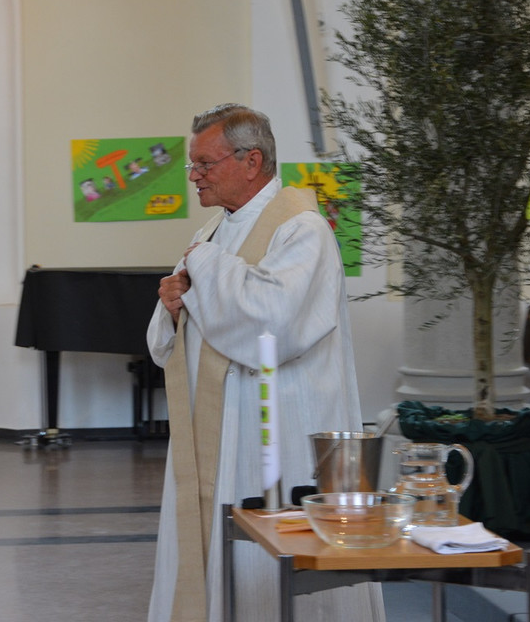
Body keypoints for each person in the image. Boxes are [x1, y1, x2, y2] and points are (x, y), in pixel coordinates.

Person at [147, 103, 384, 622]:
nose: (194, 176)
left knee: (270, 560)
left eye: (205, 164)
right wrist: (172, 308)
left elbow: (271, 324)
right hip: (216, 433)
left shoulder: (303, 231)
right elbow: (172, 336)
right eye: (192, 164)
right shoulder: (211, 233)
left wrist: (204, 267)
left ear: (251, 161)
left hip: (274, 434)